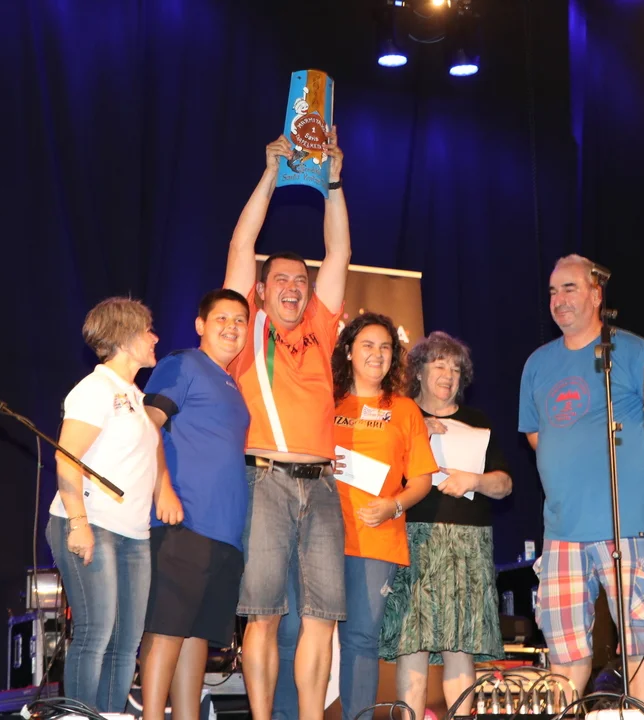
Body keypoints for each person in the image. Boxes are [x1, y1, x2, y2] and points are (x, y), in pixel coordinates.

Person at [518, 254, 644, 704]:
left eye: (570, 288)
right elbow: (537, 434)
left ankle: (639, 713)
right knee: (565, 646)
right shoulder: (537, 364)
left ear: (597, 294)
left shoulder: (633, 351)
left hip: (626, 521)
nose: (559, 299)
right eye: (553, 291)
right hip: (562, 528)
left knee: (637, 635)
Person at [223, 129, 350, 720]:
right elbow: (242, 242)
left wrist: (334, 183)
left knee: (322, 618)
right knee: (265, 614)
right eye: (281, 280)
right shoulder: (245, 324)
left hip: (322, 485)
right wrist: (271, 173)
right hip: (266, 480)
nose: (294, 288)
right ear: (261, 289)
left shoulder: (321, 326)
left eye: (301, 280)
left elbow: (339, 253)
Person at [275, 313, 438, 720]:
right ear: (348, 351)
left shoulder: (404, 410)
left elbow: (422, 479)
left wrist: (393, 505)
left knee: (361, 640)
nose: (377, 354)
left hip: (374, 540)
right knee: (292, 632)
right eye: (367, 345)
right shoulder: (324, 402)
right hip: (313, 535)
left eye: (385, 347)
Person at [379, 331, 512, 720]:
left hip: (469, 542)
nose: (448, 375)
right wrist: (417, 431)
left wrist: (474, 480)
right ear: (419, 371)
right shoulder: (400, 415)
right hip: (414, 537)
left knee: (461, 643)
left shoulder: (476, 422)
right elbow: (379, 474)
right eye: (439, 365)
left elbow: (505, 485)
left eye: (456, 369)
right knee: (413, 642)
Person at [46, 296, 170, 712]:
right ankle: (79, 717)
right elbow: (67, 457)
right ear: (126, 337)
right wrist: (78, 523)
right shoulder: (94, 389)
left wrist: (163, 491)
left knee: (125, 642)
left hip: (133, 534)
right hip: (92, 523)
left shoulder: (133, 394)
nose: (155, 338)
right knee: (95, 632)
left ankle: (111, 714)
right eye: (148, 331)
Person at [137, 288, 252, 720]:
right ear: (200, 325)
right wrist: (162, 488)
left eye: (239, 320)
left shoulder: (232, 385)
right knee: (167, 627)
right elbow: (147, 425)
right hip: (183, 520)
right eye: (222, 318)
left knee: (196, 634)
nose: (231, 327)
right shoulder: (182, 363)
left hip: (225, 533)